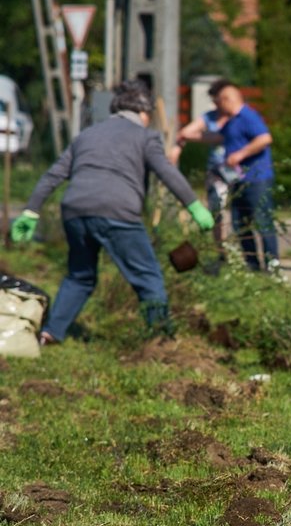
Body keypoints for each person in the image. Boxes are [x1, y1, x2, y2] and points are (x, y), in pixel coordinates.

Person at [10, 79, 214, 343]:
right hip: (117, 212)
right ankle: (161, 339)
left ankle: (50, 333)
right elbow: (167, 172)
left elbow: (53, 175)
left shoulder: (87, 135)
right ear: (143, 113)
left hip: (75, 211)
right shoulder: (145, 136)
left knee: (80, 276)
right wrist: (194, 205)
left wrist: (30, 211)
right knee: (147, 277)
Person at [209, 79, 278, 271]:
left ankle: (273, 266)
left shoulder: (248, 116)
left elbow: (265, 138)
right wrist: (186, 136)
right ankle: (252, 264)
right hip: (237, 180)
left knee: (262, 222)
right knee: (241, 225)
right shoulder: (231, 121)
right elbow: (218, 137)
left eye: (218, 102)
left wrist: (241, 154)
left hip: (256, 179)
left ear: (228, 99)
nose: (217, 106)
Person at [168, 81, 231, 249]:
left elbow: (223, 137)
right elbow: (186, 133)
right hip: (216, 170)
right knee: (217, 211)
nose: (216, 104)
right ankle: (221, 251)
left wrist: (207, 137)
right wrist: (176, 150)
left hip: (239, 169)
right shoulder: (209, 117)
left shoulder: (238, 116)